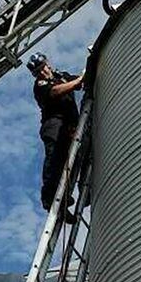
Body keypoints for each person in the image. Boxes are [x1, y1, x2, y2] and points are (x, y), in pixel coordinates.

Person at [26, 52, 84, 220]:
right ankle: (50, 197)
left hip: (71, 126)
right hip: (54, 125)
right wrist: (78, 82)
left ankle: (67, 199)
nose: (42, 72)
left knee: (75, 161)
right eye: (38, 71)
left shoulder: (62, 76)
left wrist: (83, 77)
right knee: (55, 159)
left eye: (42, 67)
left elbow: (80, 81)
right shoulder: (40, 85)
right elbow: (55, 91)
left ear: (47, 63)